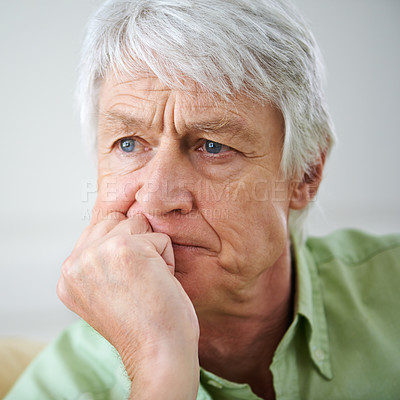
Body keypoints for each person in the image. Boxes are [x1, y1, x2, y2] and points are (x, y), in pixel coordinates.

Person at [5, 0, 400, 399]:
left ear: (305, 176)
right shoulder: (58, 387)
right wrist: (158, 361)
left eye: (213, 146)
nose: (156, 197)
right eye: (128, 144)